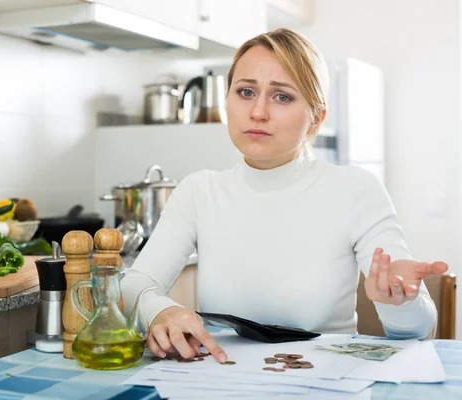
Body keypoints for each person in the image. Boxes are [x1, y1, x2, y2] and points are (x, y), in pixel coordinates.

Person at [120, 28, 448, 364]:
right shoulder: (198, 191)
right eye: (246, 92)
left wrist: (399, 303)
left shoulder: (356, 190)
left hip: (325, 379)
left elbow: (420, 332)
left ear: (316, 119)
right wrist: (160, 310)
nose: (258, 112)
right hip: (220, 376)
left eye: (282, 97)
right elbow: (133, 285)